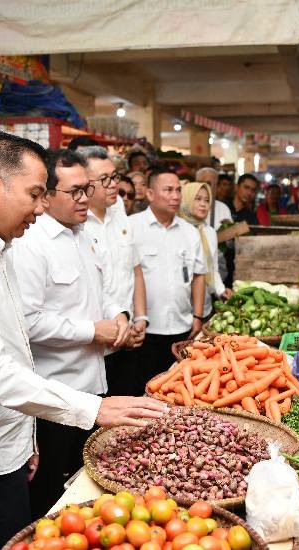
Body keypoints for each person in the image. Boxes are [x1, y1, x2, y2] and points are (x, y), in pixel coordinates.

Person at [0, 132, 166, 549]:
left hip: (6, 442)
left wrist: (25, 437)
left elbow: (16, 349)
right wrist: (93, 408)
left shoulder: (1, 247)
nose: (42, 207)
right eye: (34, 194)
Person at [10, 149, 131, 518]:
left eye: (87, 188)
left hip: (94, 386)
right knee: (51, 492)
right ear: (46, 195)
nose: (85, 199)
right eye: (75, 191)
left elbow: (100, 290)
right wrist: (91, 330)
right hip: (55, 394)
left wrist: (118, 314)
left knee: (88, 485)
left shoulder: (83, 234)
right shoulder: (31, 245)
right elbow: (27, 320)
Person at [77, 146, 148, 398]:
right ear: (84, 182)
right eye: (104, 179)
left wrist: (140, 318)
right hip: (97, 347)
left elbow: (135, 268)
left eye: (115, 176)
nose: (113, 185)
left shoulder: (118, 207)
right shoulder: (77, 223)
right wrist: (119, 330)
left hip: (130, 337)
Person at [130, 170, 206, 391]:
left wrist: (198, 315)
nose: (176, 196)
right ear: (150, 194)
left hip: (182, 327)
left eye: (178, 190)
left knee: (178, 390)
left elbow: (198, 275)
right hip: (144, 330)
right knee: (144, 388)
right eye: (168, 190)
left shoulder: (190, 232)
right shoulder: (131, 227)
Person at [180, 181, 230, 319]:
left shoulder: (209, 232)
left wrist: (221, 291)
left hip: (205, 306)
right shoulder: (177, 230)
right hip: (181, 308)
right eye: (197, 199)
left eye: (207, 200)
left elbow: (212, 268)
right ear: (186, 199)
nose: (203, 204)